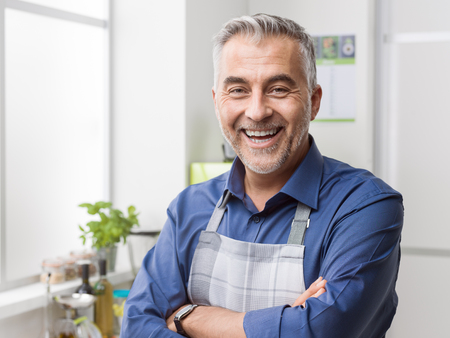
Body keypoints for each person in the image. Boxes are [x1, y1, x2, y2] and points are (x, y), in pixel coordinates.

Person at [121, 13, 403, 338]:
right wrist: (286, 324)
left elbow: (323, 331)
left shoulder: (366, 207)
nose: (257, 111)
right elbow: (136, 328)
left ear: (313, 101)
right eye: (238, 89)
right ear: (217, 102)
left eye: (279, 89)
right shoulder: (188, 208)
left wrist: (190, 318)